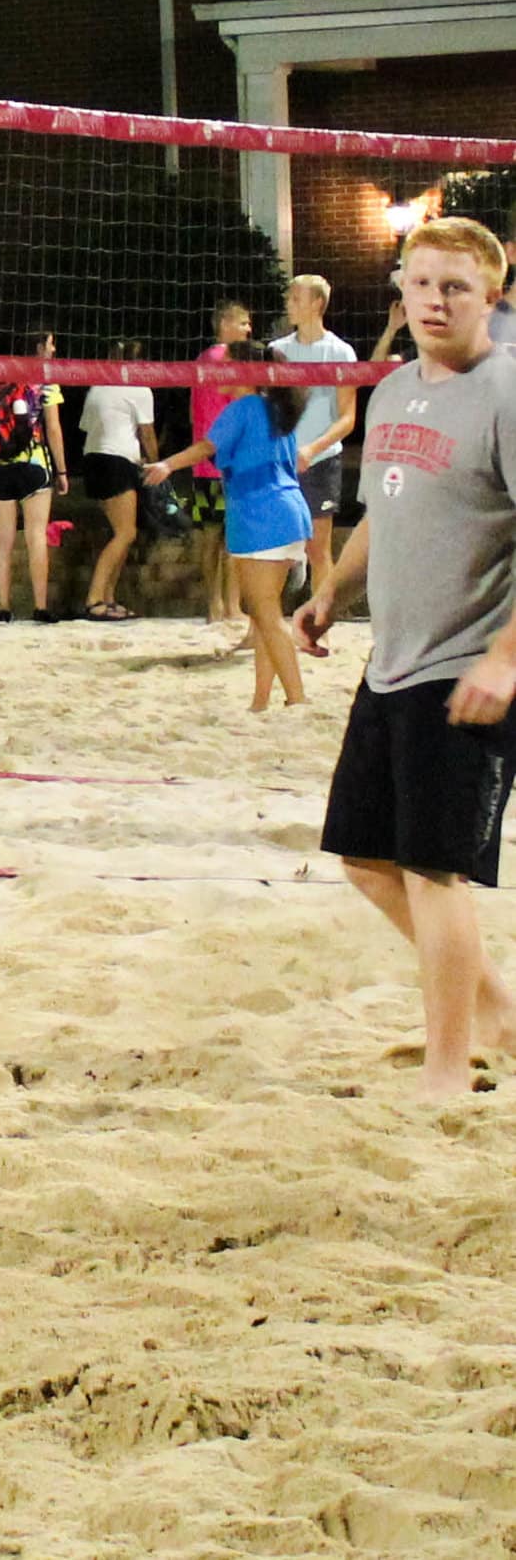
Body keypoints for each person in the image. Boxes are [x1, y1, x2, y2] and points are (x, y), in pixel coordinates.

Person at [292, 218, 516, 1100]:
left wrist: (504, 659)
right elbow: (384, 514)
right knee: (364, 858)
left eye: (455, 286)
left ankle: (448, 1072)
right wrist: (331, 594)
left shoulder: (506, 391)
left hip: (468, 670)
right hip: (391, 661)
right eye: (420, 283)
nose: (433, 299)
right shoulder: (389, 393)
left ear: (492, 296)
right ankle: (497, 1011)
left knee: (434, 870)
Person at [147, 341, 311, 710]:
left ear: (247, 371)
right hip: (288, 515)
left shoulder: (242, 409)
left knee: (267, 617)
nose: (220, 371)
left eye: (228, 364)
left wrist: (167, 465)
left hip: (263, 517)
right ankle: (260, 701)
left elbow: (206, 447)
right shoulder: (275, 409)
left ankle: (298, 699)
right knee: (265, 616)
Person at [270, 274, 359, 599]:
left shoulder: (340, 352)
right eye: (289, 298)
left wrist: (311, 448)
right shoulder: (276, 351)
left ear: (317, 304)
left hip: (320, 459)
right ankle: (261, 628)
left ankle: (321, 625)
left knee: (318, 549)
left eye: (295, 298)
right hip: (280, 460)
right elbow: (268, 409)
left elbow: (348, 417)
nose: (288, 304)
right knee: (271, 548)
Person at [0, 332, 69, 624]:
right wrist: (62, 471)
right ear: (38, 347)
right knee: (35, 535)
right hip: (33, 462)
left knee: (3, 539)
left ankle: (3, 608)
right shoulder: (45, 379)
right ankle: (40, 607)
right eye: (50, 343)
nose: (54, 348)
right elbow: (54, 429)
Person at [78, 342, 159, 621]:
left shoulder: (98, 386)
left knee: (119, 533)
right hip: (118, 460)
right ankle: (94, 599)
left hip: (93, 459)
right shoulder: (139, 389)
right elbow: (147, 434)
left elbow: (87, 426)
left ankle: (108, 598)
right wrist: (155, 466)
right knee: (126, 533)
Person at [189, 299, 253, 627]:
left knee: (210, 537)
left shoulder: (201, 360)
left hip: (203, 463)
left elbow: (193, 413)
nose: (248, 329)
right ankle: (232, 606)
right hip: (230, 464)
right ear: (226, 324)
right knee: (233, 539)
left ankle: (213, 606)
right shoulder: (231, 361)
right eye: (243, 323)